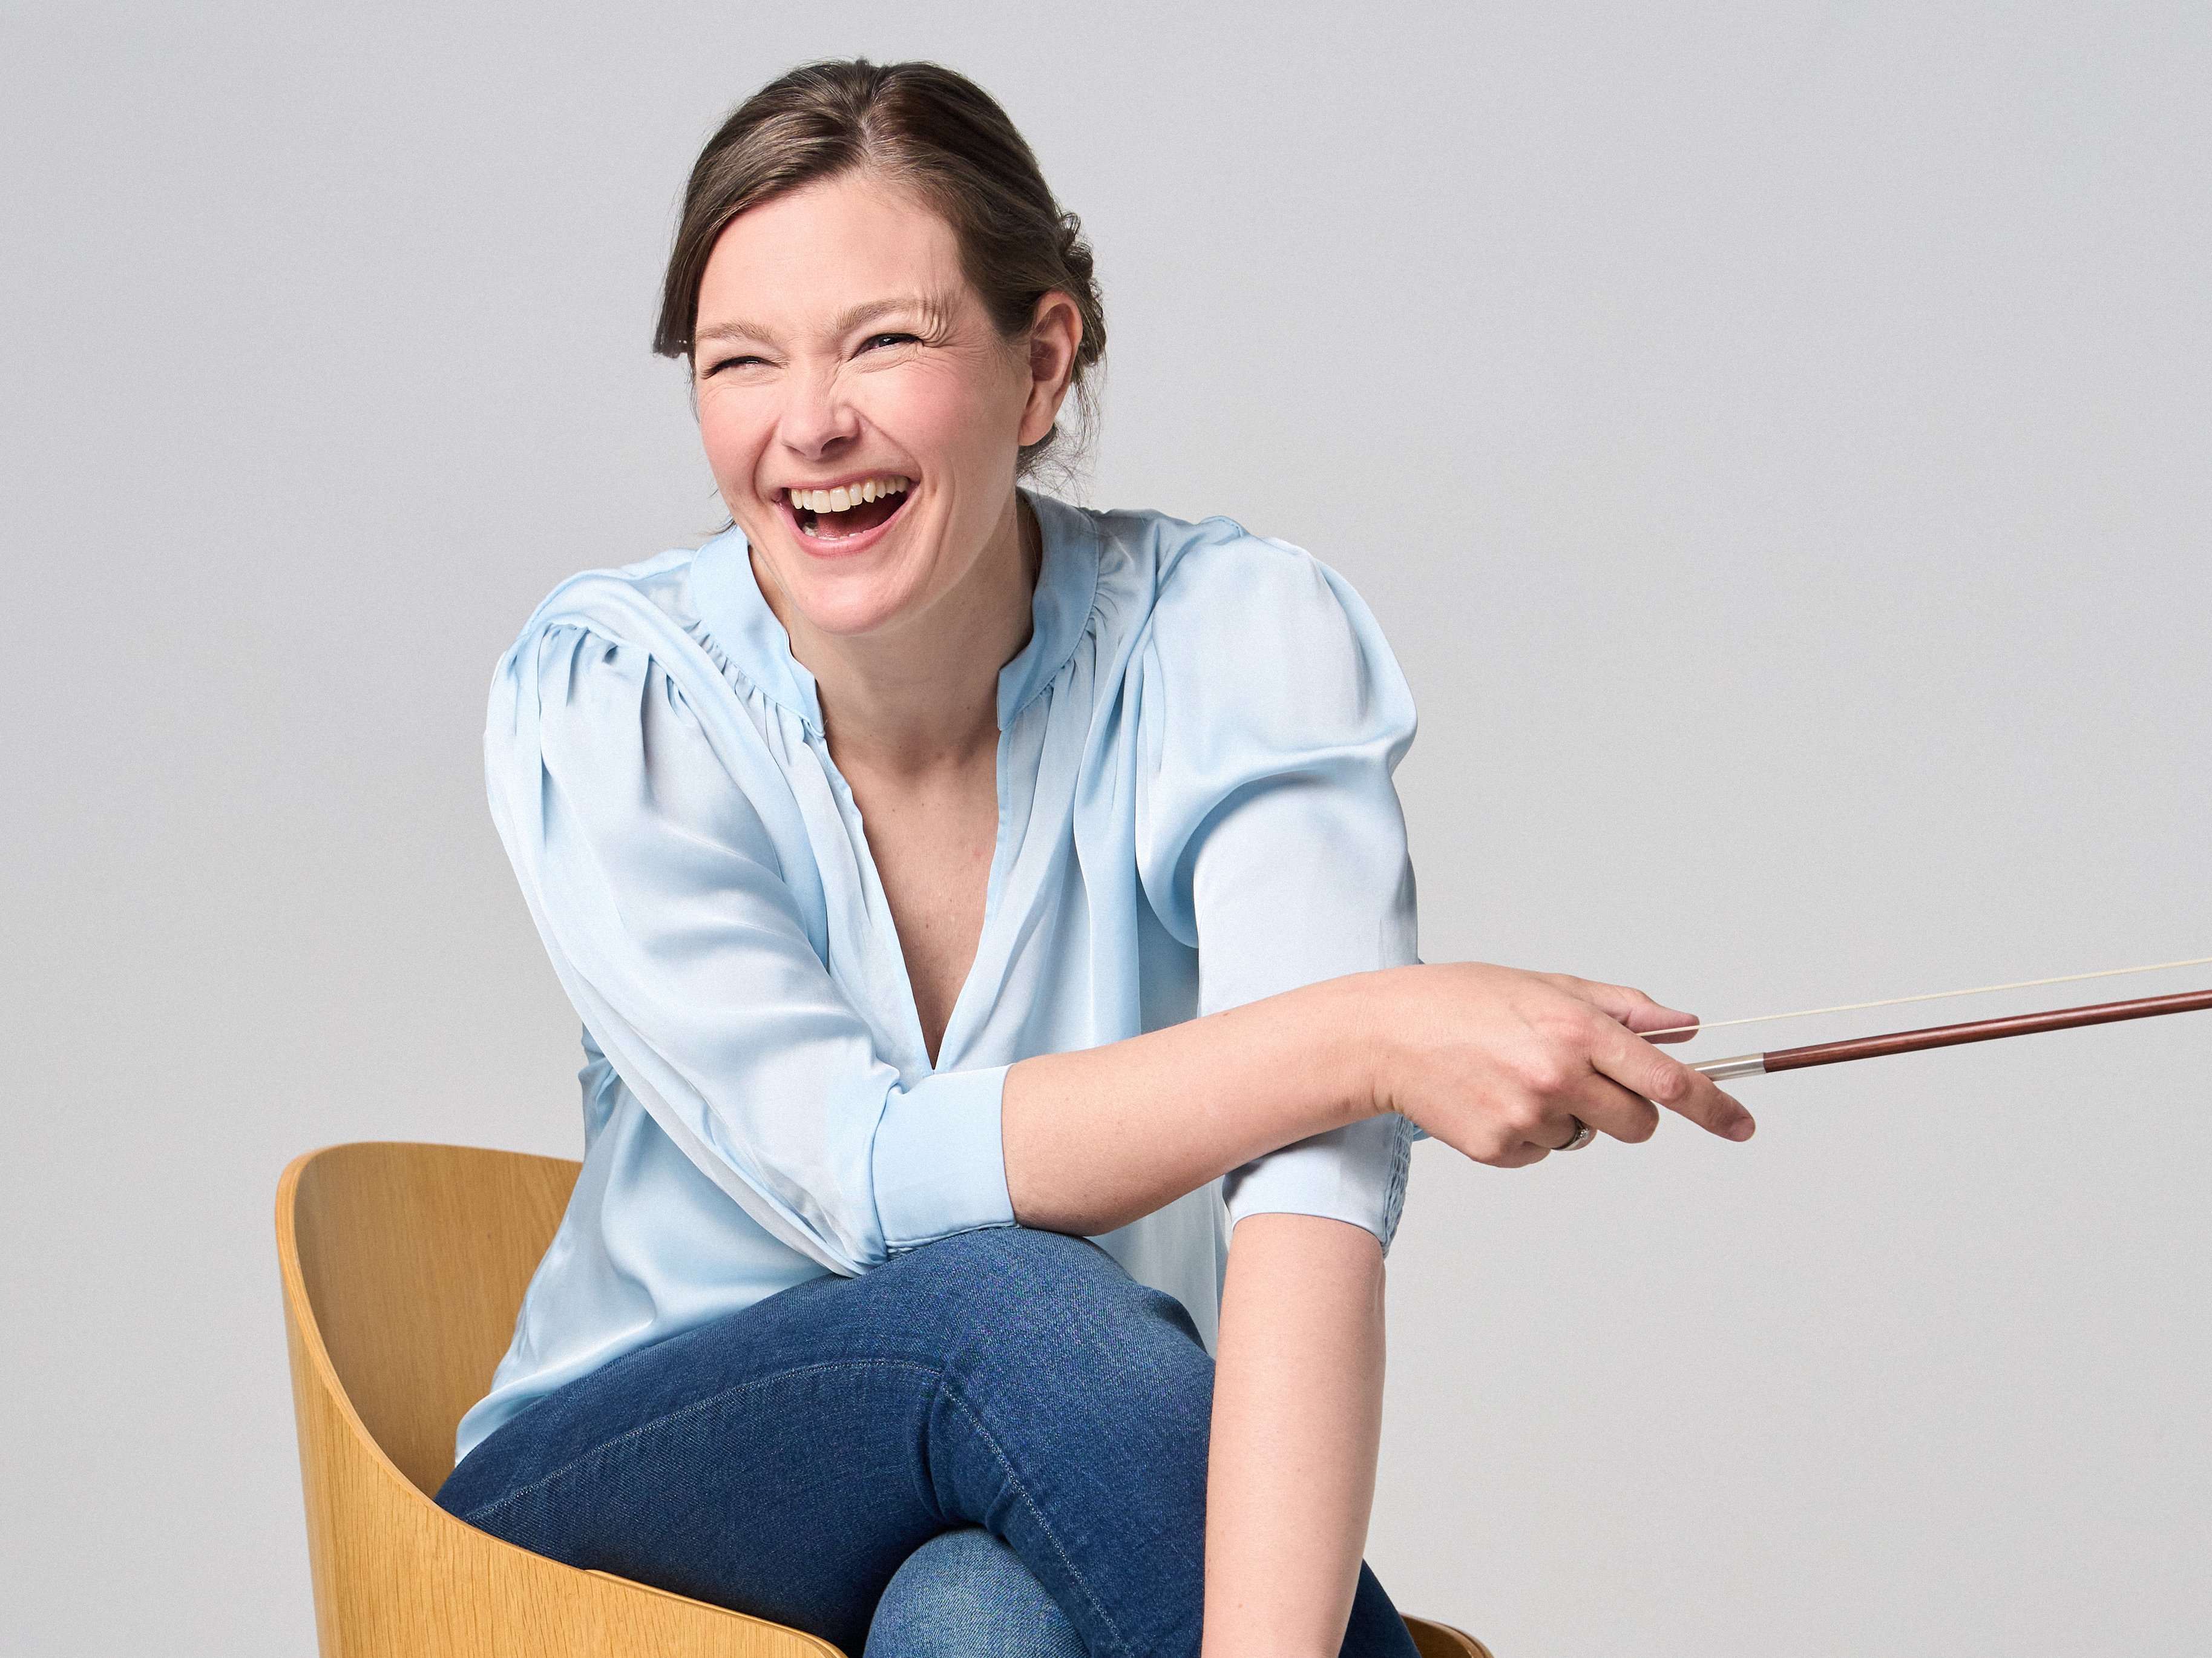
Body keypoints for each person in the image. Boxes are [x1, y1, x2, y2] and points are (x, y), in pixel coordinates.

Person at [433, 58, 1754, 1658]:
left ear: (1041, 362)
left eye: (886, 340)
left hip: (1016, 1483)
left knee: (978, 1623)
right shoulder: (615, 698)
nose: (808, 423)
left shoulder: (1235, 645)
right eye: (740, 363)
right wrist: (1365, 1037)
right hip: (611, 1505)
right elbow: (862, 1181)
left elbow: (1311, 1203)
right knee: (1014, 1297)